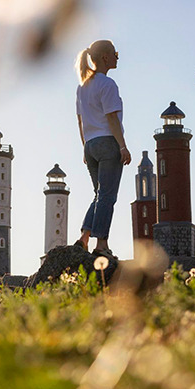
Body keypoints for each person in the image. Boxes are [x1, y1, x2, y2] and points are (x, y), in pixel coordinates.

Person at [74, 39, 132, 257]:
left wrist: (84, 148)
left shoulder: (83, 86)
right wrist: (123, 146)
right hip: (108, 143)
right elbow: (112, 118)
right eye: (115, 53)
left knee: (99, 194)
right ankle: (101, 244)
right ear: (106, 57)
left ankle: (84, 237)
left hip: (90, 145)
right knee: (107, 196)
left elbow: (80, 122)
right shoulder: (108, 85)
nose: (118, 56)